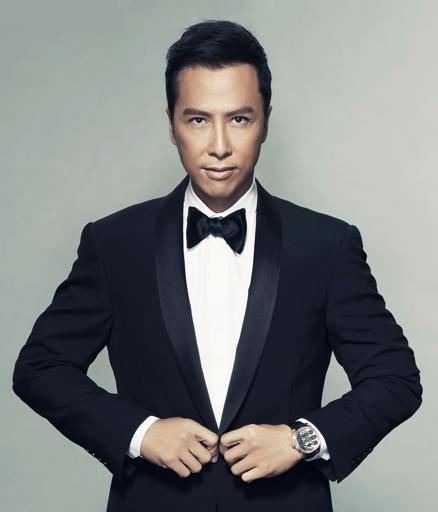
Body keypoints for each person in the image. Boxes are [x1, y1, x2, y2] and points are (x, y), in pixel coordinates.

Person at [12, 19, 422, 512]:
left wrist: (301, 440)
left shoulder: (327, 245)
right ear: (171, 125)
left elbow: (396, 379)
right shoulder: (115, 243)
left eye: (240, 119)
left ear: (265, 120)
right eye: (198, 120)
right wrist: (141, 433)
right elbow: (40, 368)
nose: (220, 145)